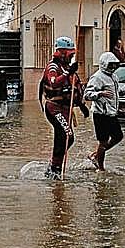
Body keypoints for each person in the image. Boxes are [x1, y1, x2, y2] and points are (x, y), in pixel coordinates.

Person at [39, 36, 89, 179]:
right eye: (70, 54)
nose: (72, 57)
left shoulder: (67, 68)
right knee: (67, 136)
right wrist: (68, 73)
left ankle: (55, 166)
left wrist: (82, 105)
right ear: (61, 52)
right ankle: (54, 166)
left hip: (66, 109)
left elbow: (74, 89)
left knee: (64, 137)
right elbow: (54, 83)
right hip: (54, 108)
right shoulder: (53, 67)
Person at [83, 51, 124, 170]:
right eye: (110, 65)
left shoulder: (114, 77)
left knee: (118, 136)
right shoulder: (97, 77)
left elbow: (115, 91)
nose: (113, 67)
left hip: (111, 113)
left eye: (115, 65)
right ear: (104, 64)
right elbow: (87, 94)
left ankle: (96, 155)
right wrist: (100, 93)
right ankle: (100, 168)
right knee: (103, 141)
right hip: (100, 114)